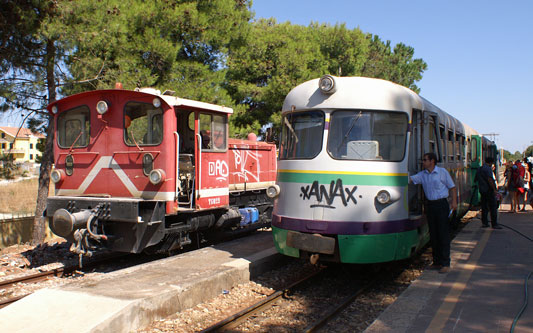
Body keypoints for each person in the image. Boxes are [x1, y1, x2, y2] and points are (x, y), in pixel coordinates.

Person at [410, 152, 457, 274]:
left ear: (432, 161)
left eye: (425, 160)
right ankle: (436, 262)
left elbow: (452, 187)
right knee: (434, 234)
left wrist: (454, 202)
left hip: (441, 205)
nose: (423, 162)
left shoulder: (442, 172)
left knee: (443, 234)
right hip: (430, 205)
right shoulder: (423, 175)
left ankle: (446, 263)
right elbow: (410, 179)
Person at [476, 157, 502, 229]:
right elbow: (490, 179)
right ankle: (494, 224)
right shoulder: (488, 169)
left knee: (484, 207)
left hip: (482, 190)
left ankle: (484, 223)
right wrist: (494, 189)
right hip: (488, 191)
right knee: (493, 207)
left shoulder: (480, 168)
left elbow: (476, 179)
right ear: (491, 162)